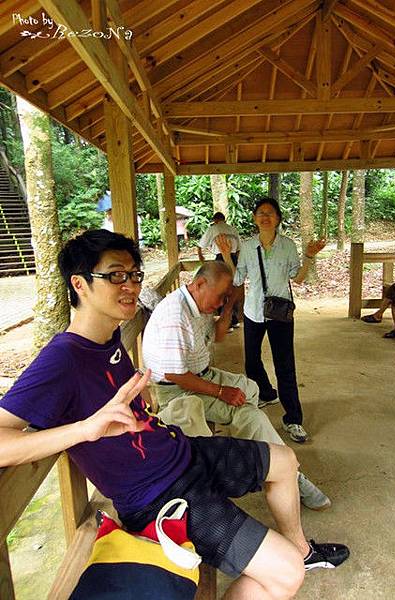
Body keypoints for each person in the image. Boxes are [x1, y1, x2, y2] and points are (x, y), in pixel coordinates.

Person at [0, 230, 349, 598]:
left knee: (284, 460)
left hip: (179, 454)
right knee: (284, 574)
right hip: (158, 496)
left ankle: (302, 550)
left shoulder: (109, 337)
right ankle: (295, 559)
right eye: (115, 275)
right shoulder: (63, 359)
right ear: (80, 284)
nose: (131, 285)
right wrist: (85, 430)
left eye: (134, 275)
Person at [142, 260, 331, 511]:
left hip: (202, 375)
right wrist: (221, 392)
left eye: (224, 296)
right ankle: (289, 474)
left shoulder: (198, 304)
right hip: (178, 389)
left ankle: (259, 453)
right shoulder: (175, 315)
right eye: (219, 295)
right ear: (199, 284)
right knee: (247, 412)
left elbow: (219, 336)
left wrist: (229, 303)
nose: (219, 302)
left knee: (249, 392)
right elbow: (176, 375)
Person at [218, 197, 325, 444]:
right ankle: (266, 392)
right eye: (260, 213)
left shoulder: (288, 245)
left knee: (284, 365)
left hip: (279, 313)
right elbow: (237, 279)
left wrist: (309, 257)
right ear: (255, 218)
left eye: (270, 213)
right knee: (251, 361)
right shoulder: (246, 246)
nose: (265, 216)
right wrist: (226, 255)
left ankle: (294, 419)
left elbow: (296, 279)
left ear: (277, 218)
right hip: (254, 311)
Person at [197, 211, 242, 328]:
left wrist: (201, 257)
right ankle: (235, 318)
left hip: (221, 258)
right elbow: (239, 249)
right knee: (234, 287)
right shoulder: (233, 229)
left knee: (222, 288)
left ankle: (225, 320)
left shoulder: (213, 228)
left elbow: (200, 244)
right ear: (224, 219)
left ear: (215, 221)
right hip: (233, 258)